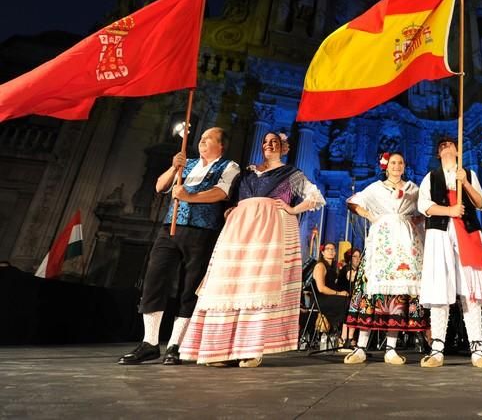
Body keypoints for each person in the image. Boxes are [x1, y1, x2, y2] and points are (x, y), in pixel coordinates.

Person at [179, 131, 324, 367]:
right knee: (230, 282)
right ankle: (219, 350)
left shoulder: (290, 173)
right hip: (240, 227)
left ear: (284, 147)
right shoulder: (247, 171)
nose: (269, 145)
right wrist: (231, 209)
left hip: (269, 228)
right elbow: (231, 197)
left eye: (275, 142)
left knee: (257, 283)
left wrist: (292, 210)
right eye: (266, 142)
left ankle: (251, 348)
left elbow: (314, 197)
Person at [118, 128, 240, 365]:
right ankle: (150, 342)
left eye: (208, 139)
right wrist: (174, 167)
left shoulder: (229, 166)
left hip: (202, 232)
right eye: (201, 138)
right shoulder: (188, 164)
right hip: (170, 229)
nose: (201, 142)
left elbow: (220, 193)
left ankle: (175, 345)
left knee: (189, 287)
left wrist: (189, 197)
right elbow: (159, 187)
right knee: (155, 278)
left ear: (221, 146)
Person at [418, 137, 482, 368]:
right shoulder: (431, 177)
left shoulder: (468, 174)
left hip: (466, 232)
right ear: (438, 154)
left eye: (450, 144)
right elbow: (424, 206)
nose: (446, 146)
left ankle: (477, 349)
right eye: (442, 145)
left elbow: (480, 203)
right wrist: (450, 209)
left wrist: (465, 183)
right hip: (440, 233)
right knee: (440, 290)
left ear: (457, 150)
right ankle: (437, 349)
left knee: (470, 291)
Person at [343, 152, 428, 365]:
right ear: (386, 166)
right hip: (381, 243)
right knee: (372, 293)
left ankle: (391, 348)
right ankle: (360, 347)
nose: (397, 166)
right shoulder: (375, 188)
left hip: (406, 246)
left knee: (399, 295)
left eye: (400, 162)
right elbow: (353, 202)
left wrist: (415, 219)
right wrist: (369, 215)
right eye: (393, 163)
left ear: (404, 165)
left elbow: (426, 210)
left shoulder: (413, 189)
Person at [312, 242, 351, 345]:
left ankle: (345, 336)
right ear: (322, 252)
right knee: (346, 302)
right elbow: (321, 288)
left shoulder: (333, 267)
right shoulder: (320, 266)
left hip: (331, 297)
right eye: (328, 249)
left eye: (333, 249)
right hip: (322, 299)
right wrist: (338, 293)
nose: (331, 251)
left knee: (350, 301)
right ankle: (342, 337)